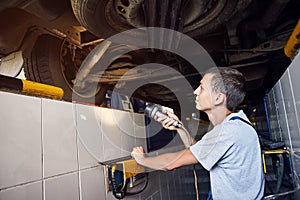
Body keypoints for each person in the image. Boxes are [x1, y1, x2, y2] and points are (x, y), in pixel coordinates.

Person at [131, 67, 265, 199]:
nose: (195, 92)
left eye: (202, 87)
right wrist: (180, 128)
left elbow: (171, 163)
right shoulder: (236, 125)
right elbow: (200, 153)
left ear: (218, 98)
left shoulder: (228, 132)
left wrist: (142, 159)